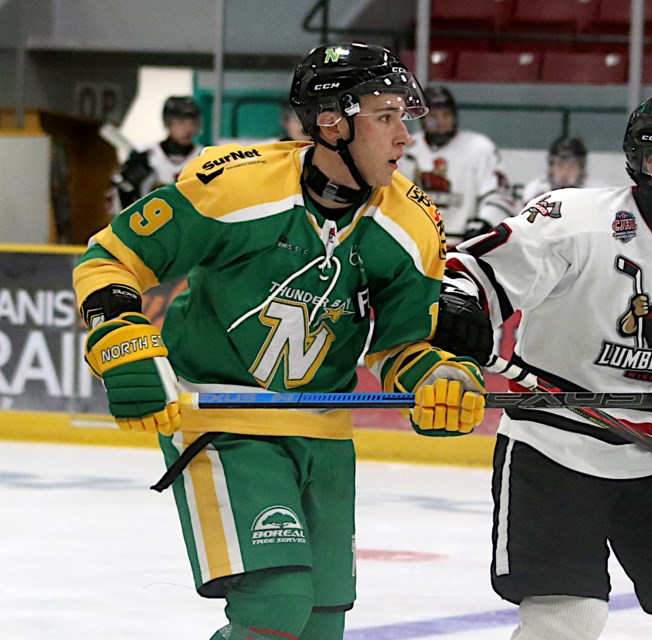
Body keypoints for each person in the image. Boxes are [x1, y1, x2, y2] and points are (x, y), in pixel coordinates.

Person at [73, 42, 486, 640]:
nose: (405, 137)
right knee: (275, 606)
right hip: (224, 420)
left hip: (323, 433)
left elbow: (401, 347)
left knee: (319, 628)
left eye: (404, 116)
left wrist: (439, 378)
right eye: (385, 117)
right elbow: (110, 258)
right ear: (331, 121)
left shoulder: (412, 224)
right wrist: (120, 336)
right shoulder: (236, 188)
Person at [432, 92, 652, 640]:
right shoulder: (575, 221)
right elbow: (469, 274)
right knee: (567, 622)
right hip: (554, 450)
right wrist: (460, 309)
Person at [399, 85, 513, 244]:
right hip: (414, 242)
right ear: (423, 118)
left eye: (446, 115)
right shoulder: (405, 147)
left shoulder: (480, 148)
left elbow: (499, 195)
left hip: (462, 246)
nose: (440, 122)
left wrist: (485, 222)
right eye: (433, 116)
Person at [110, 96, 203, 213]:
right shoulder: (145, 155)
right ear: (168, 123)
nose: (188, 128)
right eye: (181, 122)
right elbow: (114, 205)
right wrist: (129, 186)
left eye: (192, 123)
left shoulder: (204, 156)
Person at [521, 136, 592, 202]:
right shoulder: (536, 190)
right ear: (551, 167)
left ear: (581, 169)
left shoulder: (593, 193)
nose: (565, 172)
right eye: (560, 165)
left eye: (572, 166)